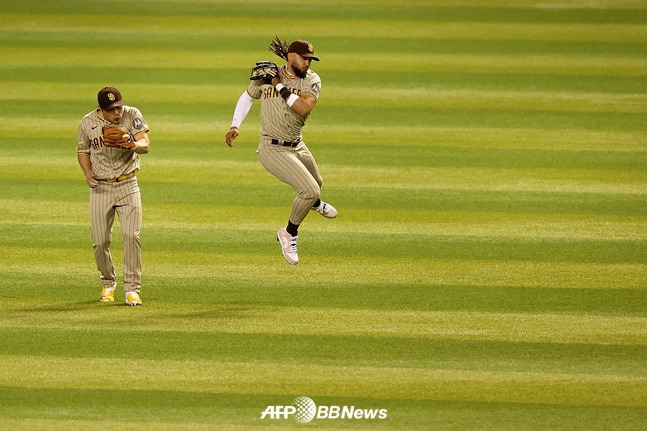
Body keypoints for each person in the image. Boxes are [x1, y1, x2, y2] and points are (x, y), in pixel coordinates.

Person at [225, 39, 337, 265]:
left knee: (317, 182)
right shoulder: (268, 74)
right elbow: (248, 96)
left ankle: (314, 203)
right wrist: (235, 125)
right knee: (309, 189)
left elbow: (303, 108)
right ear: (291, 56)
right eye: (304, 58)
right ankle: (289, 233)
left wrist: (278, 86)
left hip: (297, 144)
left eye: (310, 59)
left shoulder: (312, 80)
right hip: (271, 147)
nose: (308, 63)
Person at [76, 87, 150, 305]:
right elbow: (83, 150)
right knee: (100, 242)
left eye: (118, 106)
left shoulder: (132, 115)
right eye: (111, 110)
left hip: (128, 183)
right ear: (101, 109)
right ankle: (108, 284)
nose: (117, 113)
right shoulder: (87, 122)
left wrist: (133, 144)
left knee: (131, 236)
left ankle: (132, 289)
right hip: (100, 187)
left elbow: (145, 144)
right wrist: (87, 172)